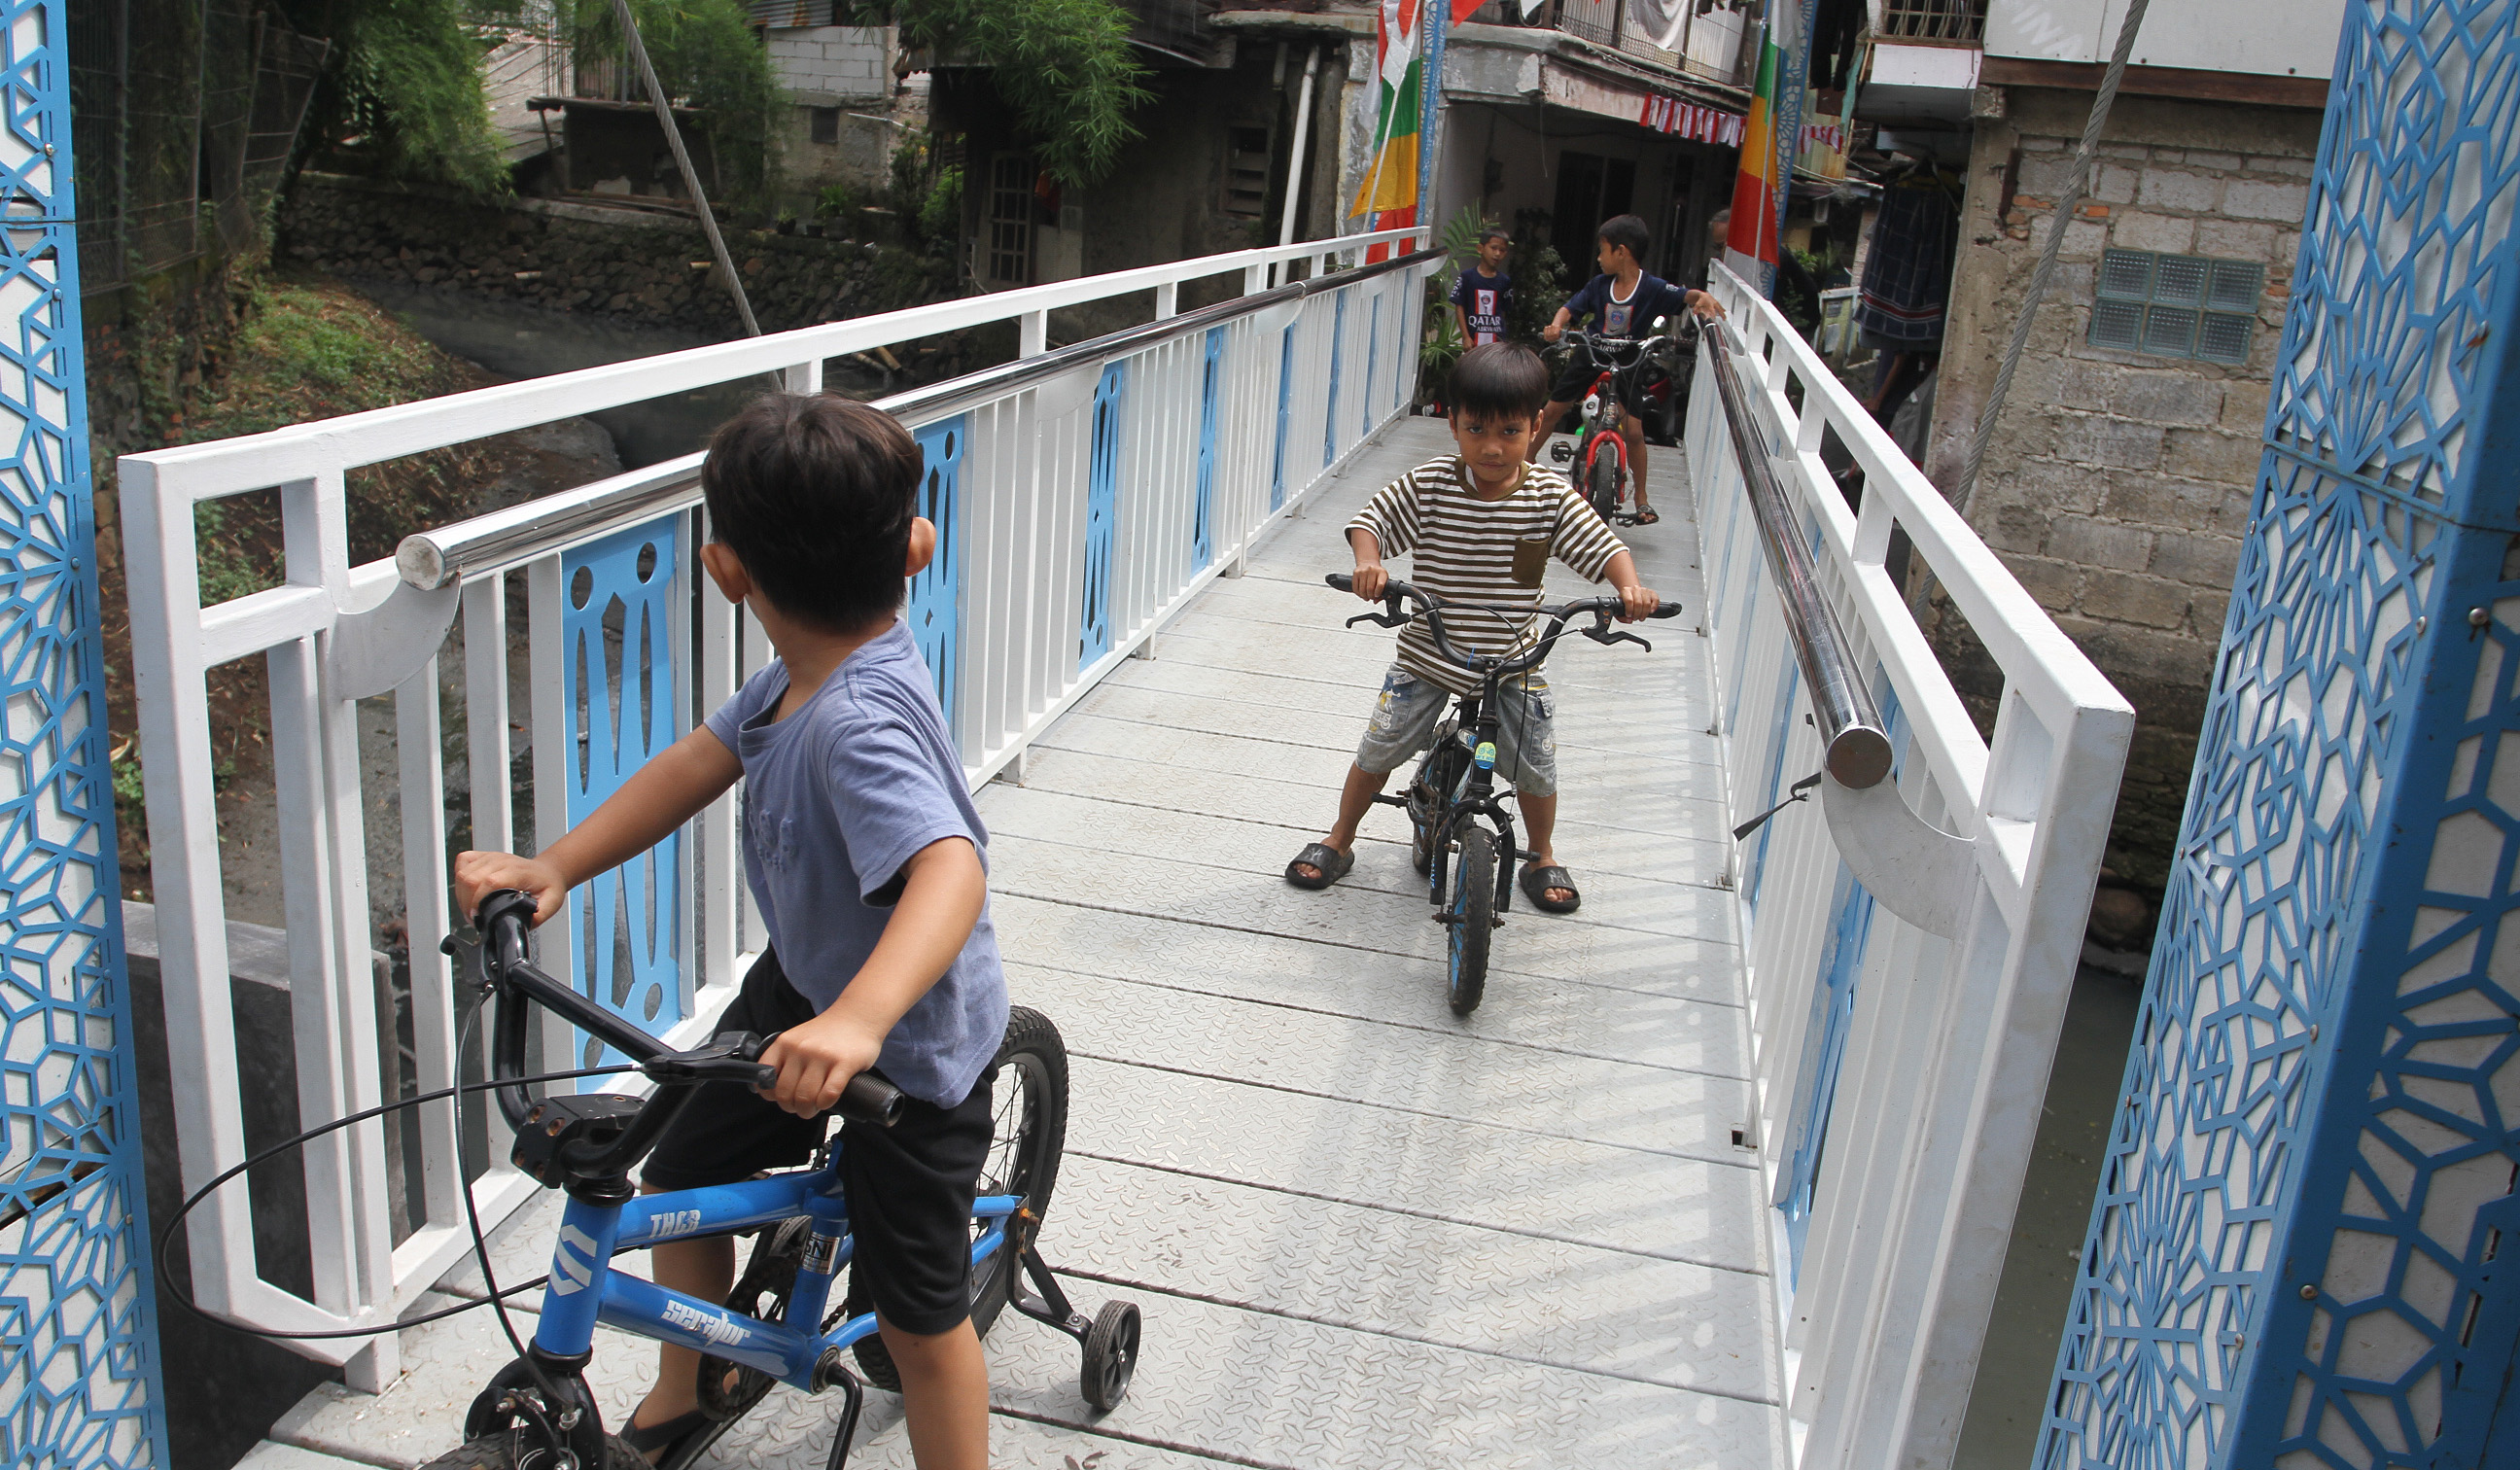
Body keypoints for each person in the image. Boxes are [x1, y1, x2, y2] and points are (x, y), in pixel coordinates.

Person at [451, 395, 1007, 1470]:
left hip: (911, 1046)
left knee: (919, 1323)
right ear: (917, 546)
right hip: (803, 985)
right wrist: (555, 865)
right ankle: (690, 1382)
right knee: (678, 1177)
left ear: (724, 570)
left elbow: (952, 869)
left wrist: (859, 1021)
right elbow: (696, 762)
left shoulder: (857, 721)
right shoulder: (797, 681)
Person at [1284, 342, 1660, 914]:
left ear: (1536, 425)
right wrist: (1370, 562)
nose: (1491, 446)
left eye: (1510, 431)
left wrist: (1629, 588)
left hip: (1514, 659)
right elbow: (1372, 520)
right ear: (1453, 425)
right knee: (1379, 746)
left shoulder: (1549, 496)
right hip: (1430, 653)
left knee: (1537, 763)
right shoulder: (1433, 483)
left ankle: (1542, 853)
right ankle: (1341, 836)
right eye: (1475, 429)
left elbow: (1605, 546)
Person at [1531, 213, 1726, 525]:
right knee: (1553, 410)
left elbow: (1683, 295)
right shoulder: (1598, 285)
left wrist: (1701, 296)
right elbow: (1570, 308)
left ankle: (1642, 498)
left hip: (1629, 360)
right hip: (1592, 351)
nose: (1599, 258)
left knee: (1634, 431)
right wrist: (1556, 325)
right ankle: (1524, 467)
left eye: (1602, 250)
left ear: (1621, 252)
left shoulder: (1651, 287)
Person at [1450, 227, 1514, 346]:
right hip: (1473, 342)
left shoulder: (1505, 281)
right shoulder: (1467, 277)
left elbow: (1503, 311)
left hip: (1496, 345)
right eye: (1493, 248)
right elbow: (1459, 306)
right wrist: (1466, 337)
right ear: (1480, 248)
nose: (1497, 254)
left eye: (1502, 250)